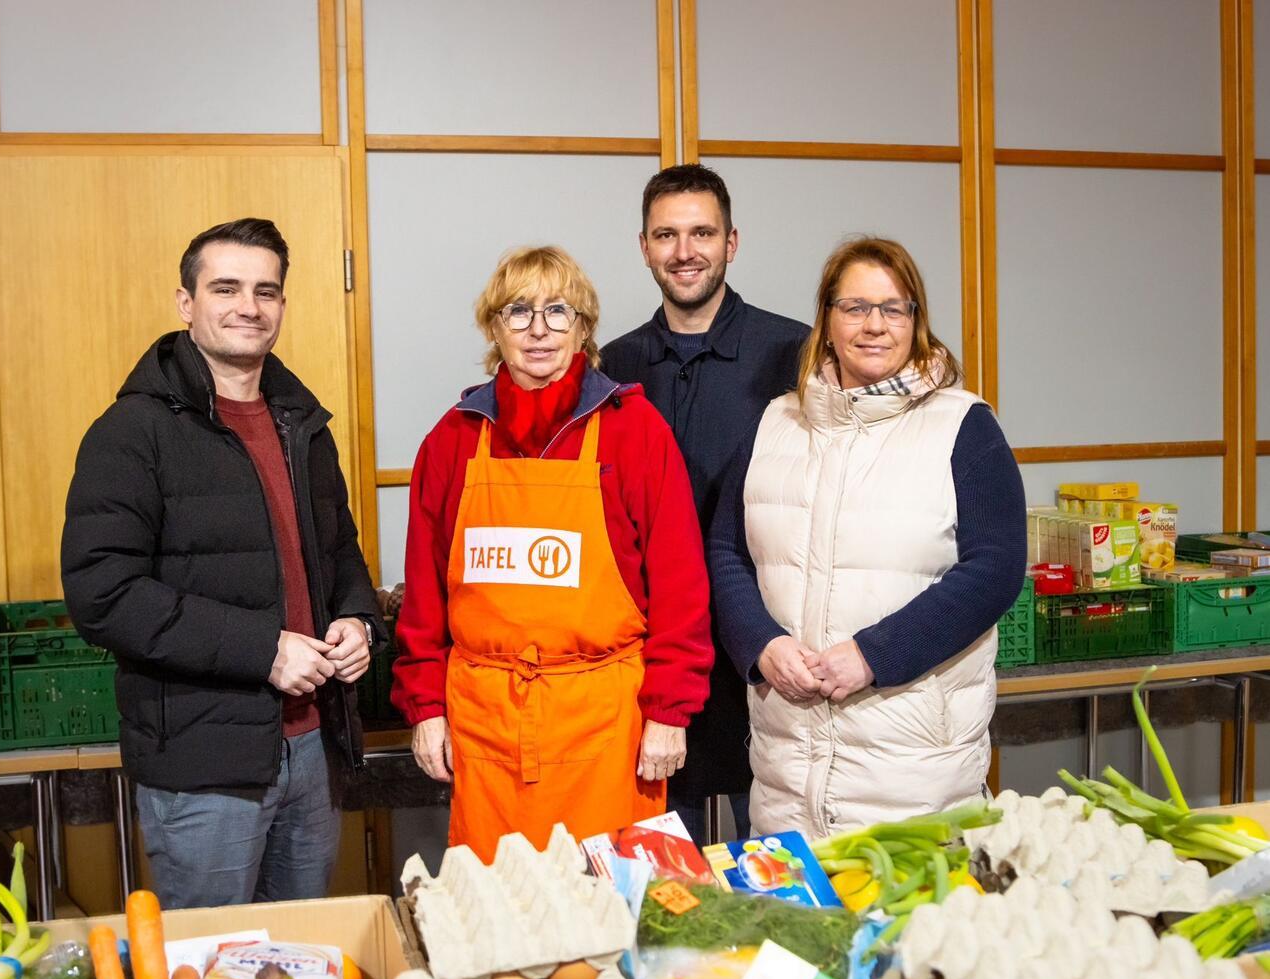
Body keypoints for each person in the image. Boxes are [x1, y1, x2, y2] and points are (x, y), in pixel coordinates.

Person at [61, 218, 386, 908]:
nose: (249, 306)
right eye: (227, 287)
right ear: (186, 302)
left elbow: (337, 552)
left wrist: (358, 619)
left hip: (313, 750)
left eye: (266, 290)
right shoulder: (132, 433)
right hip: (203, 768)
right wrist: (261, 649)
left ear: (282, 306)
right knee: (213, 971)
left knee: (301, 959)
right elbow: (103, 594)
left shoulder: (303, 424)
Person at [392, 245, 712, 863]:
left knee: (612, 911)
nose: (538, 330)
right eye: (518, 312)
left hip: (607, 727)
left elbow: (681, 587)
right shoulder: (453, 439)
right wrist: (425, 706)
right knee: (498, 911)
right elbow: (424, 593)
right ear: (494, 328)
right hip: (486, 724)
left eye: (558, 311)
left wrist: (670, 711)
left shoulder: (635, 430)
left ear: (585, 329)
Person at [709, 236, 1026, 836]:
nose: (873, 325)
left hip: (913, 770)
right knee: (798, 926)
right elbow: (727, 551)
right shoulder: (776, 422)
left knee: (913, 926)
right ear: (827, 322)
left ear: (916, 322)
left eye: (893, 308)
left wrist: (873, 656)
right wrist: (761, 644)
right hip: (786, 766)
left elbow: (996, 568)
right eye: (854, 307)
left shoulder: (964, 426)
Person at [601, 164, 809, 844]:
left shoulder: (795, 351)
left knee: (776, 865)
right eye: (667, 234)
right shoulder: (613, 365)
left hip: (766, 640)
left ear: (732, 242)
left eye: (701, 233)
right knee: (666, 877)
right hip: (655, 655)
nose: (684, 250)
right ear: (643, 246)